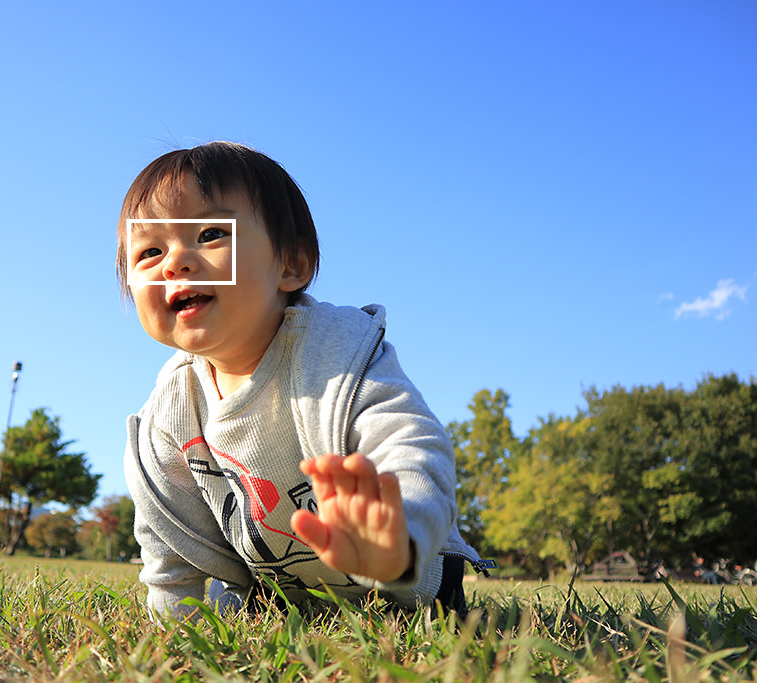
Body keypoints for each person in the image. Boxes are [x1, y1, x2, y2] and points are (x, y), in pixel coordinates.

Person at [120, 142, 492, 620]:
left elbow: (411, 441)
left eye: (210, 233)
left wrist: (401, 531)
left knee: (411, 597)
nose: (175, 262)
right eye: (149, 251)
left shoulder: (335, 354)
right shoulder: (171, 409)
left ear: (291, 265)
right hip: (281, 591)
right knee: (227, 605)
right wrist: (176, 630)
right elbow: (169, 545)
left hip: (410, 587)